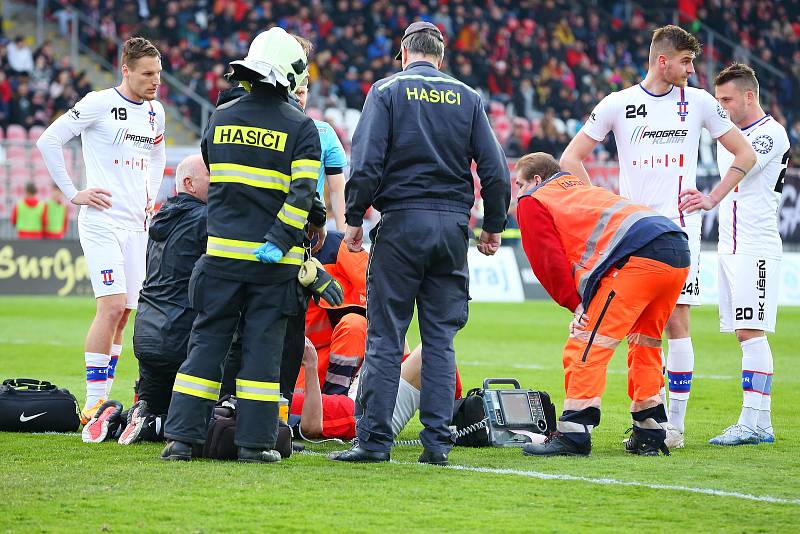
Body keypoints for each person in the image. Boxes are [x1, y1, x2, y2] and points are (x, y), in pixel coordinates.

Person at [559, 25, 756, 448]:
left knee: (676, 322)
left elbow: (746, 153)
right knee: (638, 331)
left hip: (680, 232)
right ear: (662, 60)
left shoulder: (700, 103)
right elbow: (570, 158)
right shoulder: (619, 104)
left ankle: (673, 425)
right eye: (686, 61)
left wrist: (711, 197)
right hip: (630, 237)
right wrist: (603, 206)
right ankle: (650, 419)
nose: (692, 69)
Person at [332, 22, 510, 466]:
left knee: (386, 336)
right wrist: (493, 225)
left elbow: (367, 160)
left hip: (402, 225)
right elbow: (495, 169)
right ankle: (436, 444)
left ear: (404, 53)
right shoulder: (468, 97)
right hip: (452, 228)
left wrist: (354, 218)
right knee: (440, 339)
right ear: (441, 57)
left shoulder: (387, 91)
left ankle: (374, 442)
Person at [161, 27, 320, 464]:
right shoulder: (302, 127)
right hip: (273, 265)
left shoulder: (221, 117)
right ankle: (255, 444)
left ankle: (181, 440)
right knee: (262, 353)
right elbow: (303, 194)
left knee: (206, 345)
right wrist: (280, 240)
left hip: (220, 256)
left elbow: (214, 167)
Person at [514, 153, 690, 457]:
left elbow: (547, 260)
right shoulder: (581, 188)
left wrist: (574, 304)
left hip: (638, 257)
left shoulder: (535, 200)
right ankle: (650, 430)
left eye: (519, 184)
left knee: (587, 342)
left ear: (536, 181)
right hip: (675, 248)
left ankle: (574, 433)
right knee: (645, 342)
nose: (517, 192)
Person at [36, 37, 166, 424]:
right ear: (125, 70)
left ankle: (104, 401)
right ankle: (93, 402)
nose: (155, 81)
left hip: (136, 225)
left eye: (158, 73)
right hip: (102, 222)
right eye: (147, 74)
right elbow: (49, 140)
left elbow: (157, 155)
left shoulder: (155, 112)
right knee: (109, 306)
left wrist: (151, 197)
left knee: (125, 313)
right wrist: (74, 193)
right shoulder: (98, 103)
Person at [82, 155, 210, 445]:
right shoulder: (205, 218)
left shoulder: (159, 219)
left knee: (154, 404)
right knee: (199, 419)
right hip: (182, 334)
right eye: (211, 178)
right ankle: (149, 421)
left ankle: (117, 416)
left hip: (147, 332)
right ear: (189, 183)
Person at [702, 64, 789, 446]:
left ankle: (750, 422)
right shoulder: (732, 135)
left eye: (726, 99)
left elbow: (747, 163)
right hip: (730, 244)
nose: (721, 107)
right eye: (717, 100)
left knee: (751, 332)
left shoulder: (771, 134)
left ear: (749, 97)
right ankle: (762, 424)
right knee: (743, 332)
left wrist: (712, 197)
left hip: (756, 245)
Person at [296, 338, 462, 441]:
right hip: (369, 417)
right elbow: (311, 427)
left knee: (390, 333)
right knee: (434, 346)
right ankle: (457, 410)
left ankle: (457, 408)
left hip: (358, 401)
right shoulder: (280, 410)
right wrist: (311, 364)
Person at [293, 37, 348, 232]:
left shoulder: (324, 133)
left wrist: (344, 239)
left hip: (309, 231)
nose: (298, 99)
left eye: (301, 92)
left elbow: (337, 190)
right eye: (294, 92)